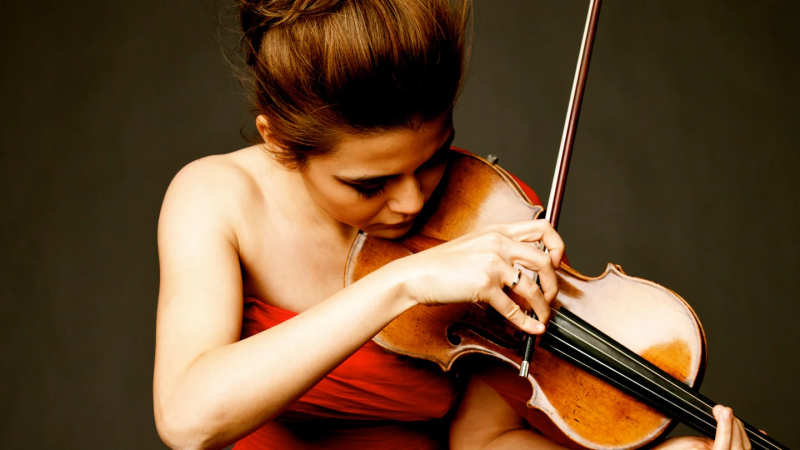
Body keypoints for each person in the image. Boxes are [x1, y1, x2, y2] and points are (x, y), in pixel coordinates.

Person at [153, 1, 754, 449]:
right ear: (280, 141)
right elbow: (187, 418)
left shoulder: (486, 213)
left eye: (435, 158)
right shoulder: (217, 198)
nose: (412, 201)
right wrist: (403, 283)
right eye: (369, 184)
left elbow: (484, 442)